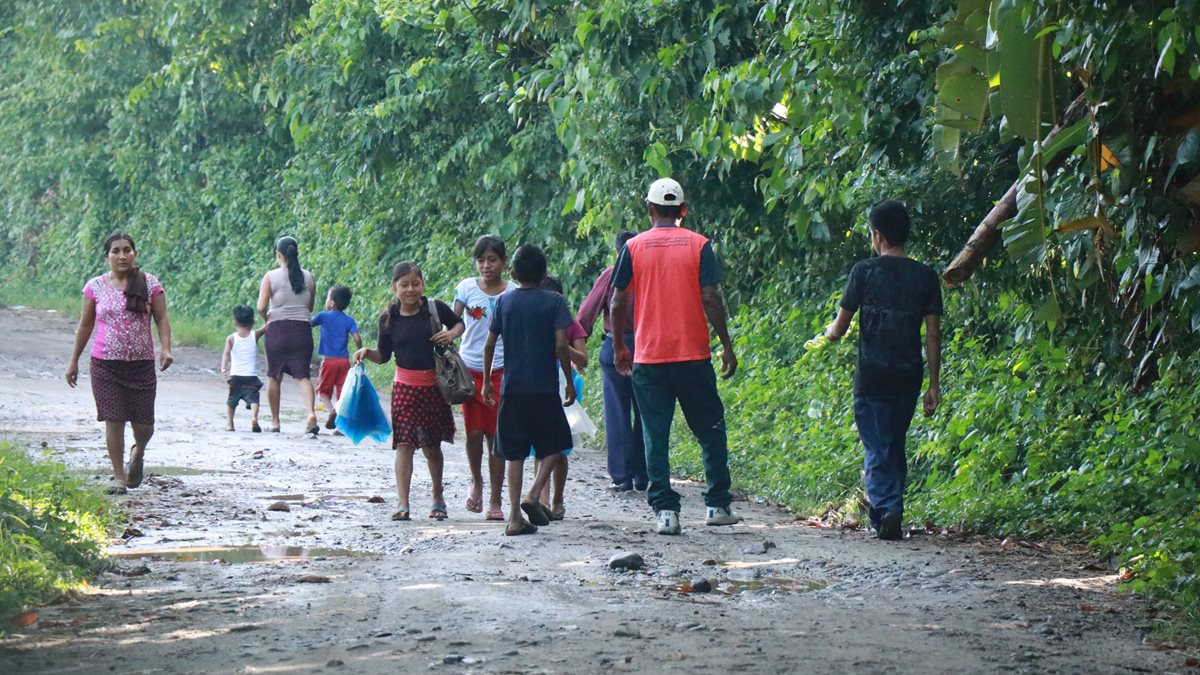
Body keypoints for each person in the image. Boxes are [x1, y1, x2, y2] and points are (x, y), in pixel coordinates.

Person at [611, 178, 740, 535]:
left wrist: (622, 346)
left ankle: (666, 512)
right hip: (694, 356)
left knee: (655, 433)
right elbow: (711, 297)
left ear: (650, 210)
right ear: (683, 211)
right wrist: (726, 344)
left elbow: (618, 299)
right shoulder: (700, 245)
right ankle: (717, 504)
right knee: (710, 428)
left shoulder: (633, 247)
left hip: (650, 358)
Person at [824, 200, 943, 541]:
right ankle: (884, 514)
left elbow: (841, 326)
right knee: (892, 442)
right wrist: (934, 385)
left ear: (877, 235)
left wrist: (828, 335)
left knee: (877, 445)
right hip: (908, 374)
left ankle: (889, 506)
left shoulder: (864, 271)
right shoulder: (924, 276)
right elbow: (933, 333)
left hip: (872, 374)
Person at [354, 261, 464, 521]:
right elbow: (383, 355)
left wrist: (451, 335)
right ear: (395, 287)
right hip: (404, 389)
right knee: (404, 444)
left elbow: (459, 323)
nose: (410, 290)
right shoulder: (388, 319)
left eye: (415, 284)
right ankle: (403, 504)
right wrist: (365, 353)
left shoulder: (435, 310)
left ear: (423, 284)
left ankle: (438, 498)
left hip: (434, 389)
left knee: (431, 446)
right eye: (404, 285)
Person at [66, 230, 173, 493]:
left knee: (144, 424)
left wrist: (165, 349)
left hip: (140, 364)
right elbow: (85, 325)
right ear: (107, 257)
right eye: (116, 251)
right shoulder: (95, 287)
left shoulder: (149, 283)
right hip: (105, 364)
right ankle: (117, 477)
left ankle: (139, 452)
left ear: (134, 254)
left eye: (127, 250)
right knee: (114, 419)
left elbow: (161, 318)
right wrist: (74, 361)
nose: (122, 255)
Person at [481, 244, 575, 536]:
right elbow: (561, 344)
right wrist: (569, 381)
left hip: (512, 389)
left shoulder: (503, 302)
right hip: (544, 388)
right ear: (545, 274)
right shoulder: (555, 302)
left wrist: (485, 381)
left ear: (512, 272)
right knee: (557, 441)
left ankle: (513, 518)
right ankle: (534, 493)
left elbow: (489, 344)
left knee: (514, 453)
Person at [577, 230, 646, 492]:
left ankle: (621, 476)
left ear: (618, 252)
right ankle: (644, 474)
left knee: (617, 411)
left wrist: (577, 352)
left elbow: (585, 315)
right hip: (649, 347)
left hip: (615, 345)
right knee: (647, 412)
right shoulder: (648, 274)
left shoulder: (611, 273)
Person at [452, 235, 515, 521]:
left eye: (492, 260)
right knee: (474, 432)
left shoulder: (512, 293)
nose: (486, 266)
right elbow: (455, 324)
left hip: (501, 371)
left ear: (503, 261)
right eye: (481, 260)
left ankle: (495, 498)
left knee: (496, 436)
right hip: (469, 372)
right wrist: (448, 336)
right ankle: (476, 481)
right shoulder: (466, 288)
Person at [533, 274, 590, 520]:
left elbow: (583, 360)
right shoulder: (530, 319)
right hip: (536, 385)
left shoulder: (571, 324)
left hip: (565, 387)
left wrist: (559, 343)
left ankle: (557, 499)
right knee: (539, 447)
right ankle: (542, 501)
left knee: (560, 448)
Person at [257, 236, 319, 435]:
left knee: (274, 376)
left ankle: (275, 422)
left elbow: (261, 306)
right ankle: (310, 413)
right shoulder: (308, 277)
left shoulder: (271, 276)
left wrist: (267, 318)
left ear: (279, 255)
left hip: (277, 330)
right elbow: (309, 307)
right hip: (302, 332)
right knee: (302, 376)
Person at [311, 284, 362, 431]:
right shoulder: (349, 320)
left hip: (329, 361)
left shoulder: (323, 316)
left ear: (332, 303)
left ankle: (331, 411)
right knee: (342, 393)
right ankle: (340, 427)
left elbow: (307, 324)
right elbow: (357, 338)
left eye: (327, 298)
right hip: (344, 362)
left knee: (323, 392)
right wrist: (359, 353)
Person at [221, 305, 266, 433]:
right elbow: (267, 326)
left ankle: (230, 424)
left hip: (235, 375)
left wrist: (224, 369)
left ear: (235, 322)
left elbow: (226, 354)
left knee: (232, 401)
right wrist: (267, 316)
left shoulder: (231, 338)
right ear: (252, 322)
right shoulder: (255, 335)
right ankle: (254, 417)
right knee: (254, 399)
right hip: (250, 376)